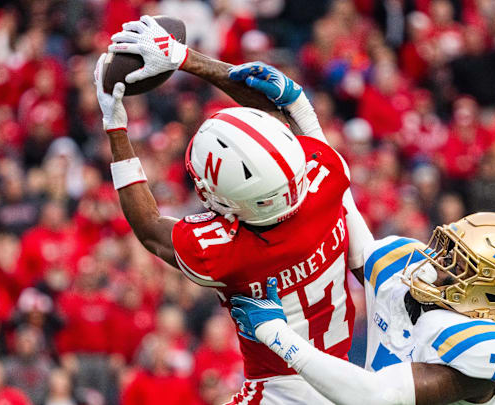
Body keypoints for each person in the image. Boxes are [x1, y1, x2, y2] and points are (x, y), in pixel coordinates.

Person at [99, 15, 373, 404]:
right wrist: (181, 56)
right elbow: (282, 119)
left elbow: (148, 227)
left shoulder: (229, 252)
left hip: (278, 391)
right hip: (345, 377)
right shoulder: (326, 177)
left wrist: (115, 124)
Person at [229, 212, 495, 405]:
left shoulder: (486, 348)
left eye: (459, 264)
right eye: (448, 250)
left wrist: (276, 333)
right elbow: (340, 204)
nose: (436, 263)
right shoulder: (404, 282)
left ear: (491, 297)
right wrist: (303, 117)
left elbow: (376, 397)